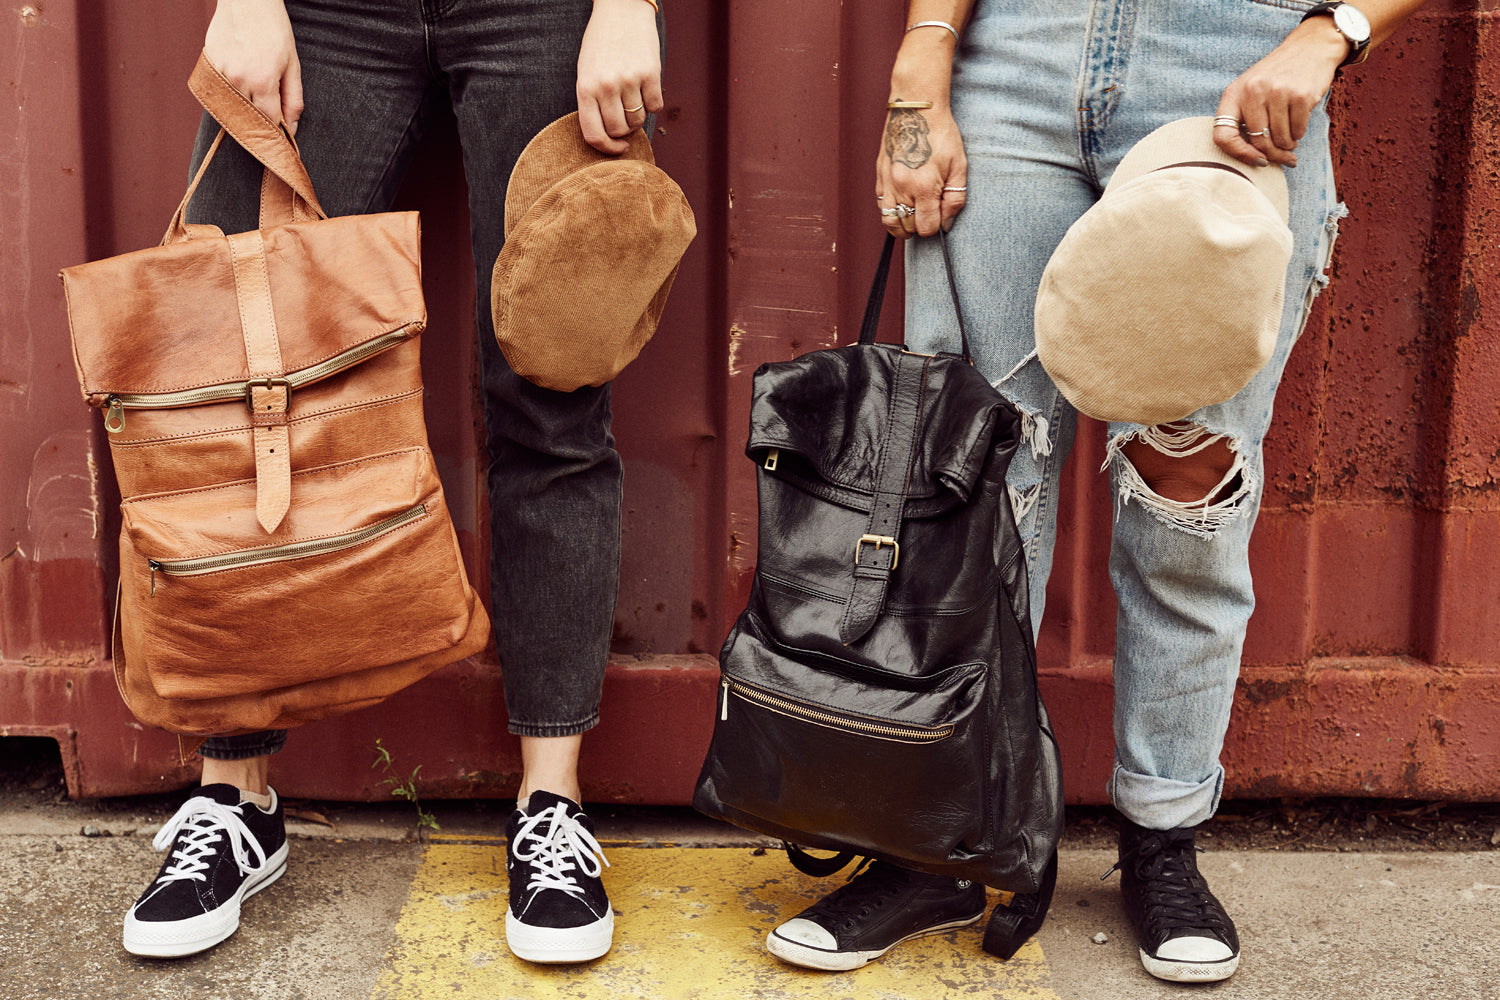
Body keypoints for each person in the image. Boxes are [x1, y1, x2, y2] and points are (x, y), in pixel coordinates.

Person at [763, 0, 1427, 983]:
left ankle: (1163, 834)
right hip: (1015, 59)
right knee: (966, 489)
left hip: (1234, 65)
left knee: (1186, 498)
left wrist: (1334, 33)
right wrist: (923, 57)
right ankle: (940, 838)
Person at [121, 0, 666, 965]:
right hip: (325, 11)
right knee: (245, 386)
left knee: (552, 388)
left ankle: (551, 810)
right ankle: (233, 797)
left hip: (543, 15)